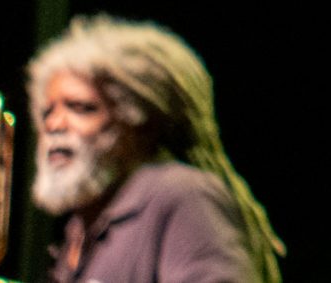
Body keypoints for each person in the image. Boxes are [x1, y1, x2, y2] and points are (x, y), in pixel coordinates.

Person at [25, 16, 282, 283]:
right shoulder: (84, 225)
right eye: (47, 112)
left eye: (81, 108)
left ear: (141, 123)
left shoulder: (181, 195)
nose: (54, 124)